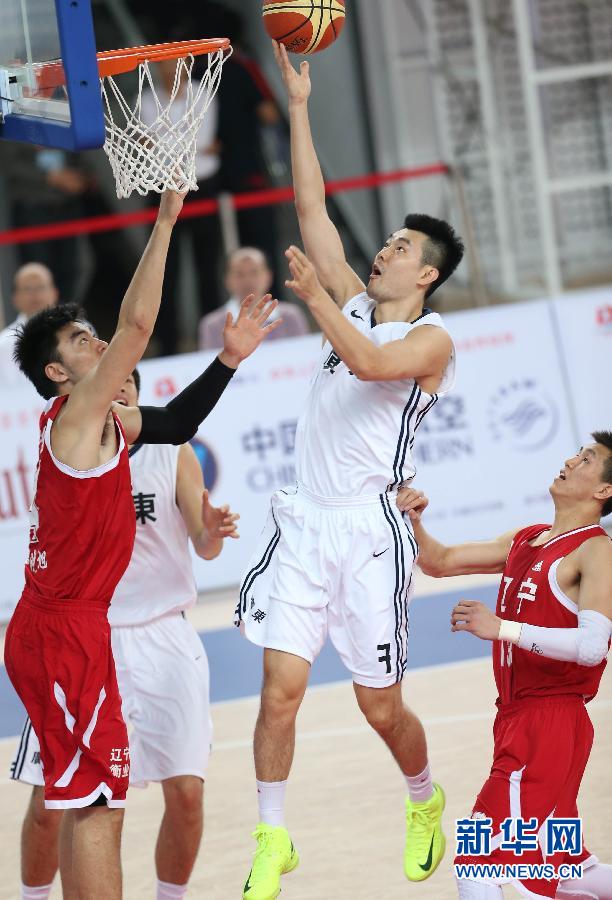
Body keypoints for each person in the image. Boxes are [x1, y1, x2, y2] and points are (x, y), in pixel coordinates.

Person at [234, 41, 465, 900]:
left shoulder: (431, 340)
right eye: (390, 240)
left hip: (370, 536)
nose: (386, 250)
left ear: (426, 273)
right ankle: (271, 836)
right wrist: (298, 105)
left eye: (402, 246)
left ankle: (422, 796)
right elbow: (310, 205)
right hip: (305, 524)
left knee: (380, 709)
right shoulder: (355, 300)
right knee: (279, 692)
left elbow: (369, 364)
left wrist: (322, 302)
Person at [4, 188, 280, 900]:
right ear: (59, 377)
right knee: (95, 803)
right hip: (66, 628)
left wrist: (228, 361)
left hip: (74, 626)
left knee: (83, 798)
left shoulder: (109, 423)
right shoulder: (76, 417)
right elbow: (137, 321)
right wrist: (163, 219)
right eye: (79, 343)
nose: (99, 342)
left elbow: (179, 420)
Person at [10, 368, 240, 900]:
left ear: (138, 398)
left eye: (127, 388)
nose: (118, 394)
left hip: (164, 636)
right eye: (108, 387)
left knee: (186, 794)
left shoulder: (171, 451)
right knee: (52, 803)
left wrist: (211, 530)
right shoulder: (67, 451)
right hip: (87, 638)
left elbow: (204, 546)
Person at [396, 433, 612, 899]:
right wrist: (413, 520)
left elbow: (594, 647)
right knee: (568, 867)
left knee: (478, 859)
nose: (571, 460)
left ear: (604, 491)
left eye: (587, 459)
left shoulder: (596, 550)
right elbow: (440, 561)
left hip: (548, 723)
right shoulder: (527, 538)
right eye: (577, 452)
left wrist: (503, 629)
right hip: (520, 722)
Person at [139, 55, 224, 356]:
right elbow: (151, 146)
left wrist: (165, 143)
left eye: (177, 66)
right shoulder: (146, 100)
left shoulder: (203, 94)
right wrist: (187, 145)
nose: (171, 72)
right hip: (162, 187)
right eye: (165, 66)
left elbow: (204, 139)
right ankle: (168, 346)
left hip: (201, 185)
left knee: (208, 267)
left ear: (187, 68)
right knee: (162, 270)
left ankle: (213, 342)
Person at [199, 247, 309, 350]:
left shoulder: (290, 316)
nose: (248, 280)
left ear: (268, 276)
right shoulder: (212, 325)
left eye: (254, 272)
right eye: (240, 274)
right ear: (227, 280)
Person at [0, 263, 59, 386]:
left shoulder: (79, 331)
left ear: (54, 293)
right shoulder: (4, 343)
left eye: (40, 287)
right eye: (27, 289)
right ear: (15, 298)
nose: (34, 295)